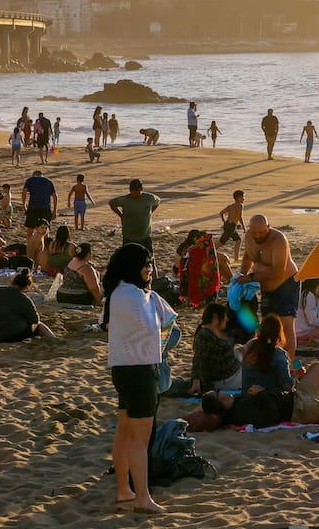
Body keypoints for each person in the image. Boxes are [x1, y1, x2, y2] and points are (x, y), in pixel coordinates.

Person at [104, 243, 175, 515]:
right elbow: (159, 325)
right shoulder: (135, 296)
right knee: (140, 439)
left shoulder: (117, 293)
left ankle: (124, 490)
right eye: (146, 264)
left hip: (122, 369)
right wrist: (152, 297)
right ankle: (143, 497)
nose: (150, 269)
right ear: (134, 266)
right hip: (140, 369)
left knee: (124, 432)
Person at [235, 214, 300, 362]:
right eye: (254, 232)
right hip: (265, 286)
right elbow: (248, 257)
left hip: (286, 284)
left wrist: (251, 277)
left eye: (261, 232)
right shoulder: (249, 237)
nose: (258, 236)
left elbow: (278, 271)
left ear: (268, 227)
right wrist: (241, 275)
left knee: (286, 325)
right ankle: (269, 360)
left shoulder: (278, 240)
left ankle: (289, 363)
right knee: (267, 326)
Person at [0, 269, 56, 342]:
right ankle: (54, 340)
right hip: (10, 336)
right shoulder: (24, 299)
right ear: (27, 286)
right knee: (40, 326)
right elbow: (35, 320)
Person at [188, 303, 243, 395]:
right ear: (215, 317)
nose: (227, 319)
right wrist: (196, 381)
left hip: (226, 373)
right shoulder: (205, 336)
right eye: (225, 316)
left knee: (241, 351)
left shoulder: (209, 332)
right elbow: (198, 359)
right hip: (226, 379)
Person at [109, 179, 161, 261]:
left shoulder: (149, 198)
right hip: (129, 236)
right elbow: (112, 203)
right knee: (127, 259)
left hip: (145, 236)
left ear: (141, 189)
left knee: (150, 259)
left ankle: (154, 274)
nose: (134, 194)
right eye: (132, 192)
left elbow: (157, 202)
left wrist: (149, 212)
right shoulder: (125, 200)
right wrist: (121, 216)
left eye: (136, 192)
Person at [21, 169, 57, 248]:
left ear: (33, 175)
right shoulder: (48, 181)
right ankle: (45, 247)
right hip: (45, 207)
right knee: (45, 229)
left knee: (30, 229)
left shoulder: (30, 180)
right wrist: (54, 210)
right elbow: (55, 196)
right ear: (42, 175)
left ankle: (30, 246)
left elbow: (24, 191)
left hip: (33, 207)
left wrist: (24, 205)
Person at [295, 278, 319, 345]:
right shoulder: (309, 295)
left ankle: (310, 340)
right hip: (304, 331)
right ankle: (315, 341)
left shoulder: (302, 293)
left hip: (299, 330)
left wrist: (318, 299)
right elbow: (312, 320)